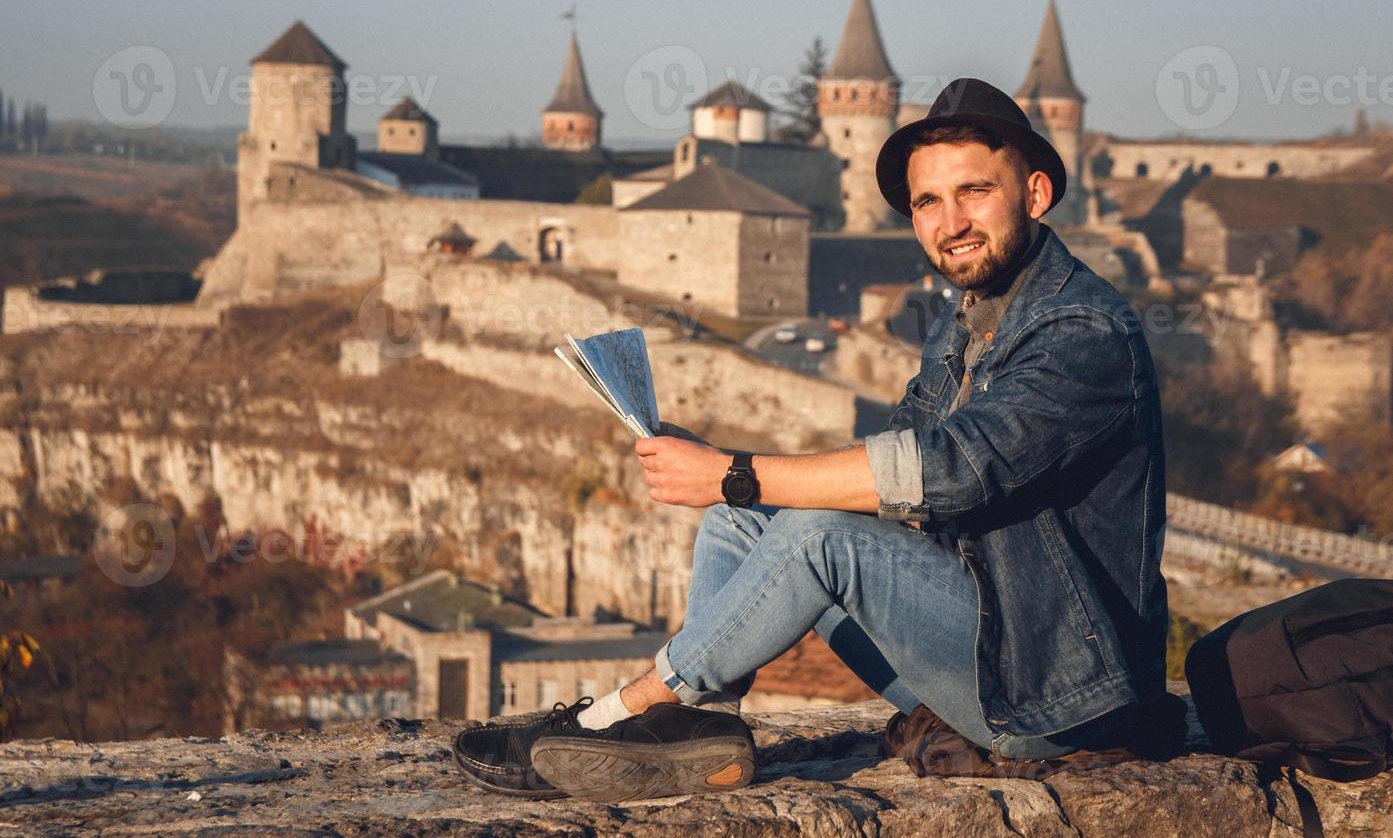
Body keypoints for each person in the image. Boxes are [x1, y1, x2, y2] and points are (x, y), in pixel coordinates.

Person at [452, 77, 1170, 804]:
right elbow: (891, 474)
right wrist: (724, 472)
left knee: (812, 530)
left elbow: (951, 472)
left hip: (1064, 690)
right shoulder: (968, 324)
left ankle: (627, 710)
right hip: (987, 643)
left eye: (975, 191)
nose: (950, 221)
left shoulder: (1083, 331)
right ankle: (698, 730)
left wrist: (732, 470)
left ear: (1037, 194)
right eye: (927, 202)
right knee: (743, 520)